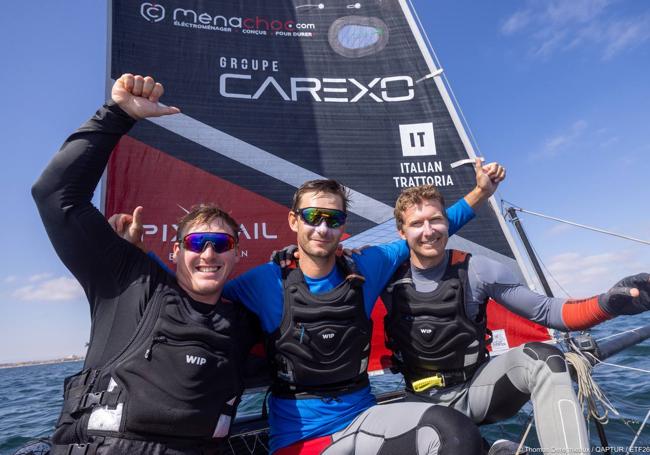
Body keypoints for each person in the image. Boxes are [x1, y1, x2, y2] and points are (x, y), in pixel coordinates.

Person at [114, 163, 505, 453]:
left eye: (332, 218)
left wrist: (481, 193)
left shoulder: (368, 265)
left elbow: (432, 227)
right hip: (298, 439)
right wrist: (141, 252)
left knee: (457, 435)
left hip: (364, 418)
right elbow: (193, 289)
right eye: (312, 217)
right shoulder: (263, 282)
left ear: (342, 226)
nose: (321, 227)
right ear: (293, 221)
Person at [32, 74, 259, 454]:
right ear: (174, 251)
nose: (208, 254)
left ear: (236, 253)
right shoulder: (127, 282)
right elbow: (54, 196)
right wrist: (118, 114)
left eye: (221, 244)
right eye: (196, 242)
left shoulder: (245, 321)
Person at [382, 184, 650, 454]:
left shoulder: (478, 269)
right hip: (418, 401)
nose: (428, 231)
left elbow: (548, 311)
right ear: (402, 232)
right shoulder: (384, 278)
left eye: (436, 219)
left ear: (448, 223)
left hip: (476, 391)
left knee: (546, 358)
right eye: (417, 223)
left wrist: (608, 304)